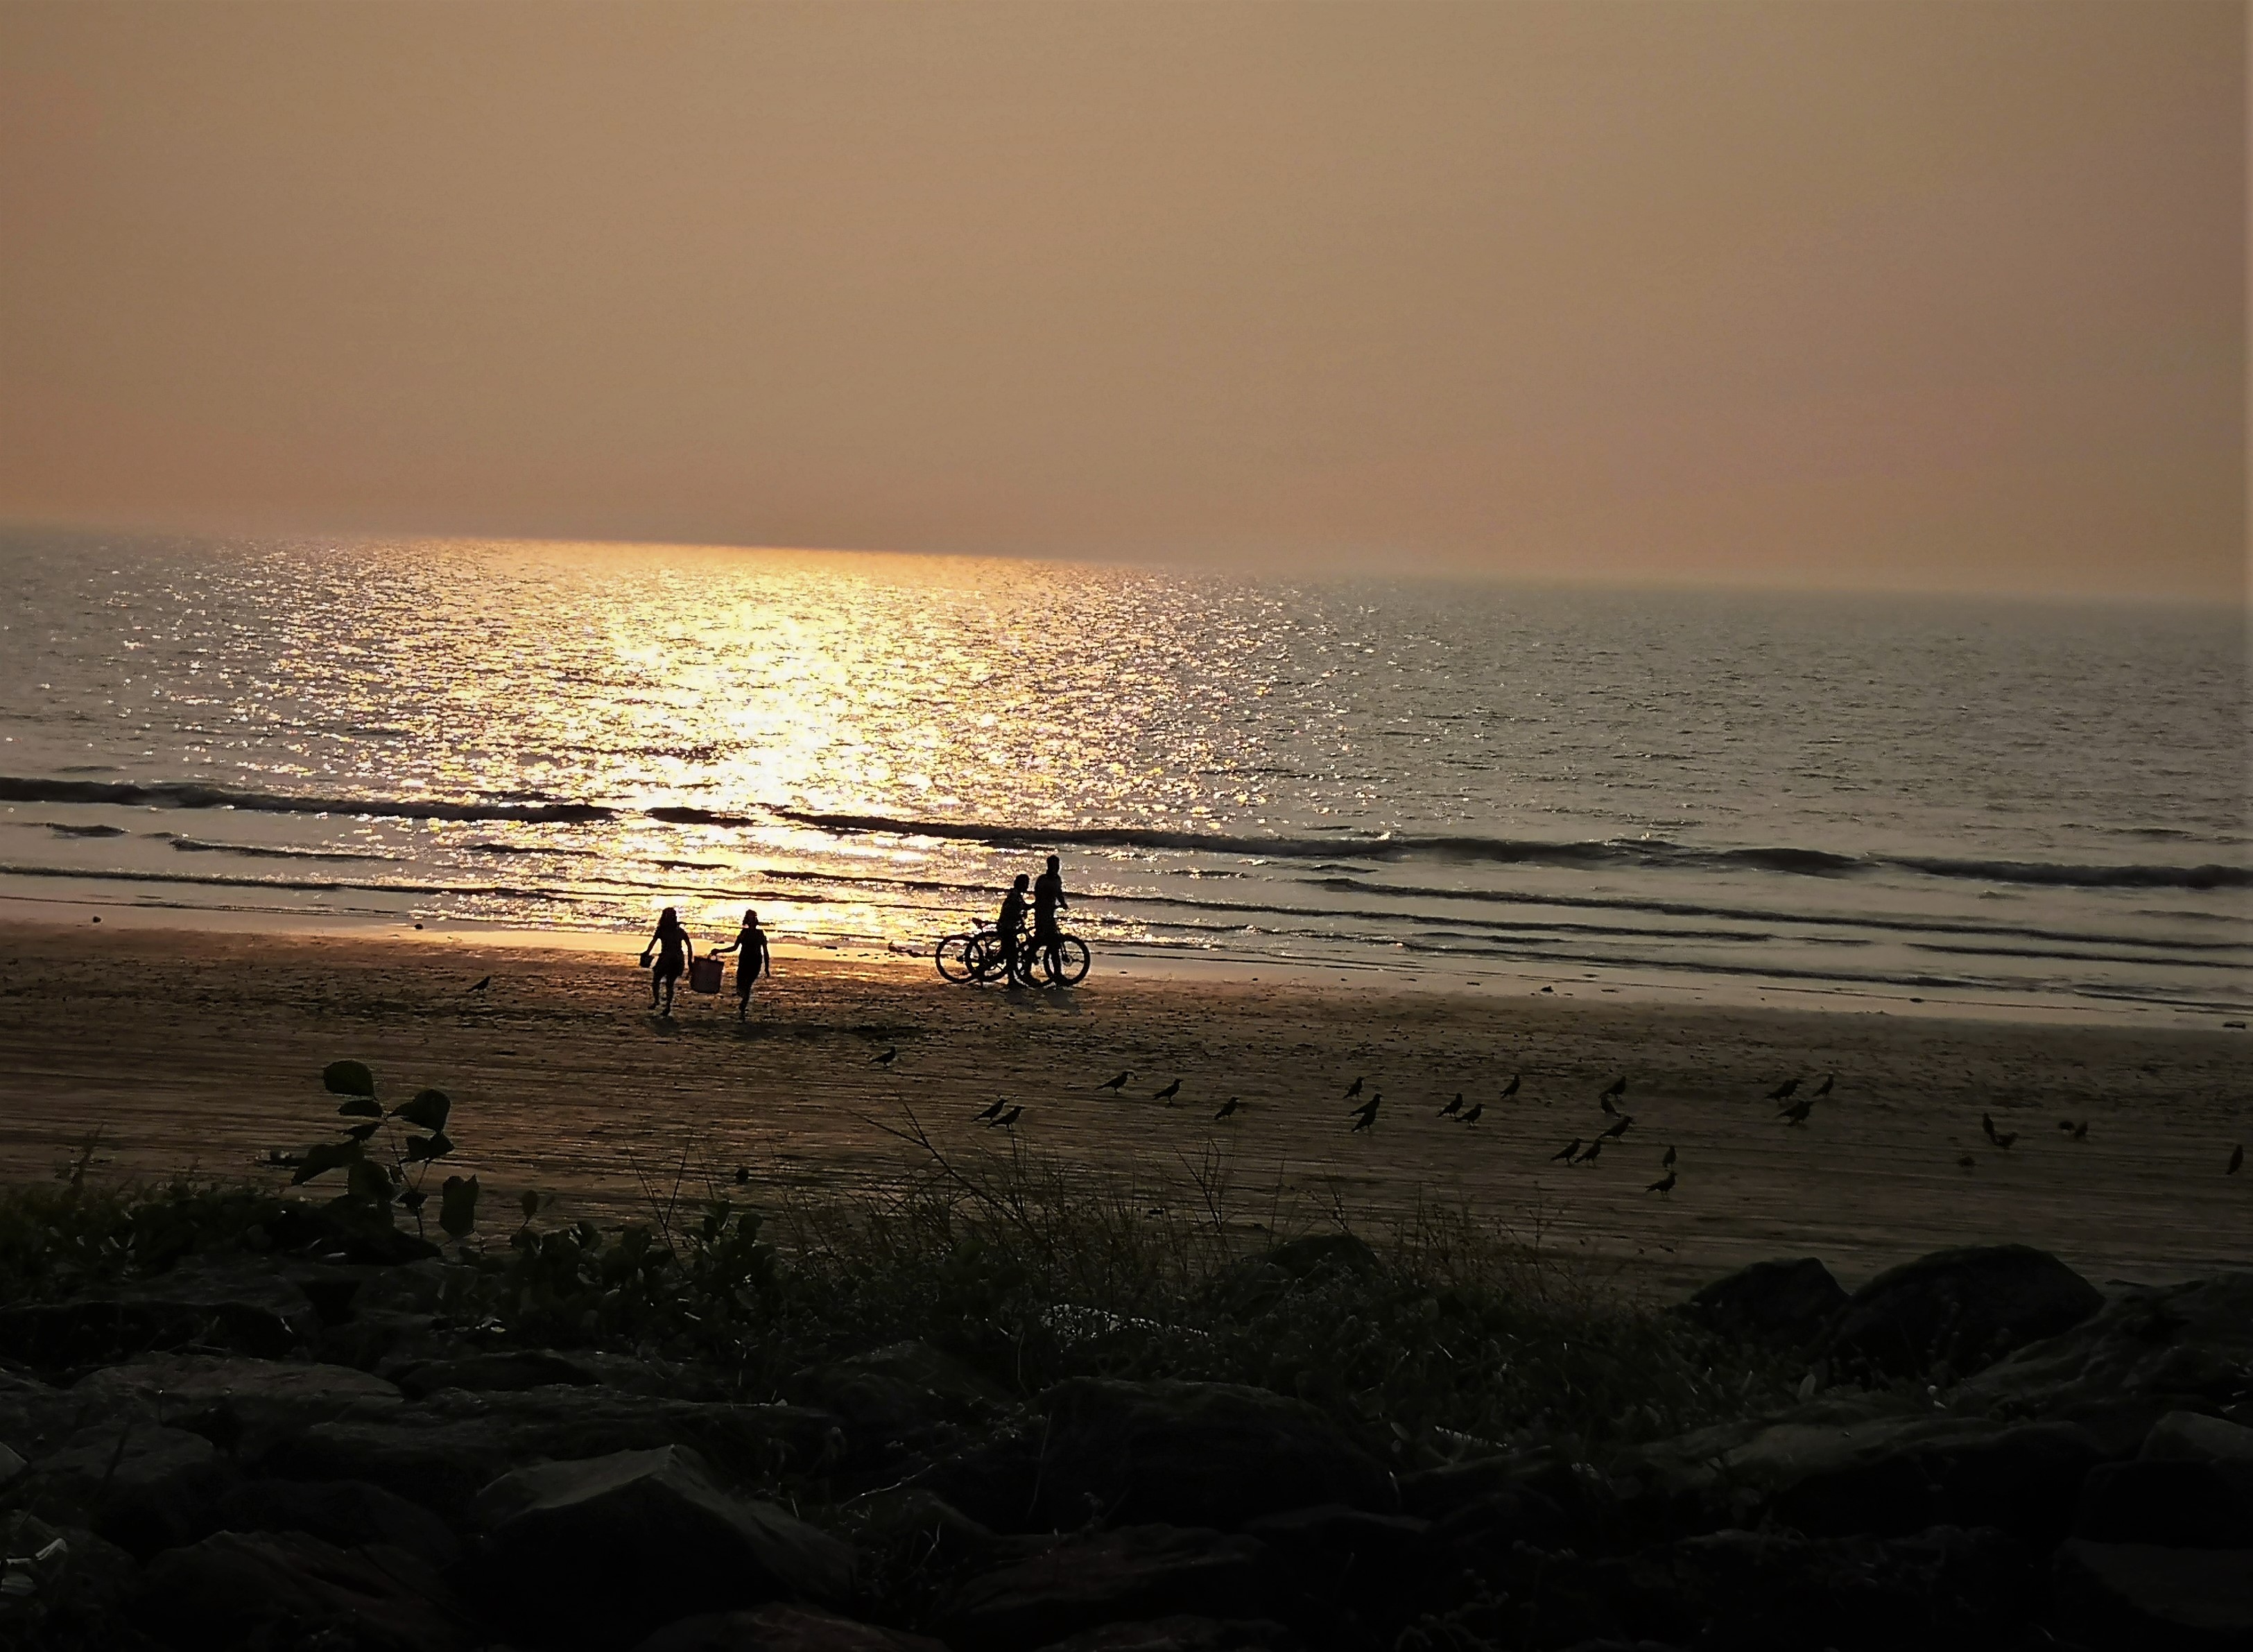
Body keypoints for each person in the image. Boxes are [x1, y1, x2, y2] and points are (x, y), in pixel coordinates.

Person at [711, 908, 770, 1022]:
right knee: (740, 988)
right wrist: (719, 951)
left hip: (755, 962)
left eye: (753, 918)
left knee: (747, 986)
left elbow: (765, 951)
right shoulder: (744, 933)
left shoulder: (760, 934)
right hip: (744, 962)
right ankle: (743, 1003)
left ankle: (743, 1007)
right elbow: (734, 948)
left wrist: (767, 967)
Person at [639, 907, 694, 1017]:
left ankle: (658, 1002)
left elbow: (653, 943)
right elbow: (689, 946)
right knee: (669, 983)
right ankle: (666, 1006)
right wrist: (689, 962)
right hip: (677, 959)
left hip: (666, 958)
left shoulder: (662, 930)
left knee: (657, 980)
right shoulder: (679, 931)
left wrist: (647, 953)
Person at [1032, 854, 1069, 981]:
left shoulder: (1057, 879)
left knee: (1054, 944)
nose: (1057, 868)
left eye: (1058, 865)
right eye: (1054, 865)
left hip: (1050, 914)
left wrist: (1062, 903)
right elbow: (1038, 895)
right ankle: (1027, 968)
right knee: (1041, 941)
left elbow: (1059, 893)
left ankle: (1057, 973)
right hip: (1041, 914)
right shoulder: (1042, 880)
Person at [996, 874, 1030, 987]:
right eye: (1025, 884)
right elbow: (1010, 910)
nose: (1027, 887)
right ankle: (1011, 980)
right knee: (1011, 954)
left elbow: (1023, 906)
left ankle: (1012, 979)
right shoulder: (1014, 896)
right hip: (1007, 927)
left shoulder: (1016, 895)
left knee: (1009, 952)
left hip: (1009, 926)